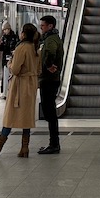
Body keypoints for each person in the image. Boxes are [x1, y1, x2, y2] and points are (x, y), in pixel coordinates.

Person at [0, 23, 41, 157]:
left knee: (10, 116)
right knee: (26, 116)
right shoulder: (36, 48)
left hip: (20, 85)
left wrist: (10, 63)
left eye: (22, 32)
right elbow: (39, 69)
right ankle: (24, 148)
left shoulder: (22, 48)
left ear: (24, 34)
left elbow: (15, 69)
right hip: (31, 84)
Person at [37, 14, 63, 154]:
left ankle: (54, 144)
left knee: (50, 112)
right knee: (49, 111)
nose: (41, 28)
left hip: (49, 79)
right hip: (50, 79)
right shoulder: (51, 38)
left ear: (50, 26)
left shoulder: (51, 39)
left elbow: (50, 52)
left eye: (43, 26)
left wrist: (48, 65)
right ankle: (54, 143)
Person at [0, 21, 17, 99]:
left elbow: (14, 47)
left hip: (12, 58)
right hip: (5, 59)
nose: (5, 31)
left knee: (10, 76)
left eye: (6, 29)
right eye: (4, 30)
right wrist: (0, 44)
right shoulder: (3, 37)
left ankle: (10, 92)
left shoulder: (14, 37)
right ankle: (4, 92)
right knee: (5, 76)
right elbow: (0, 48)